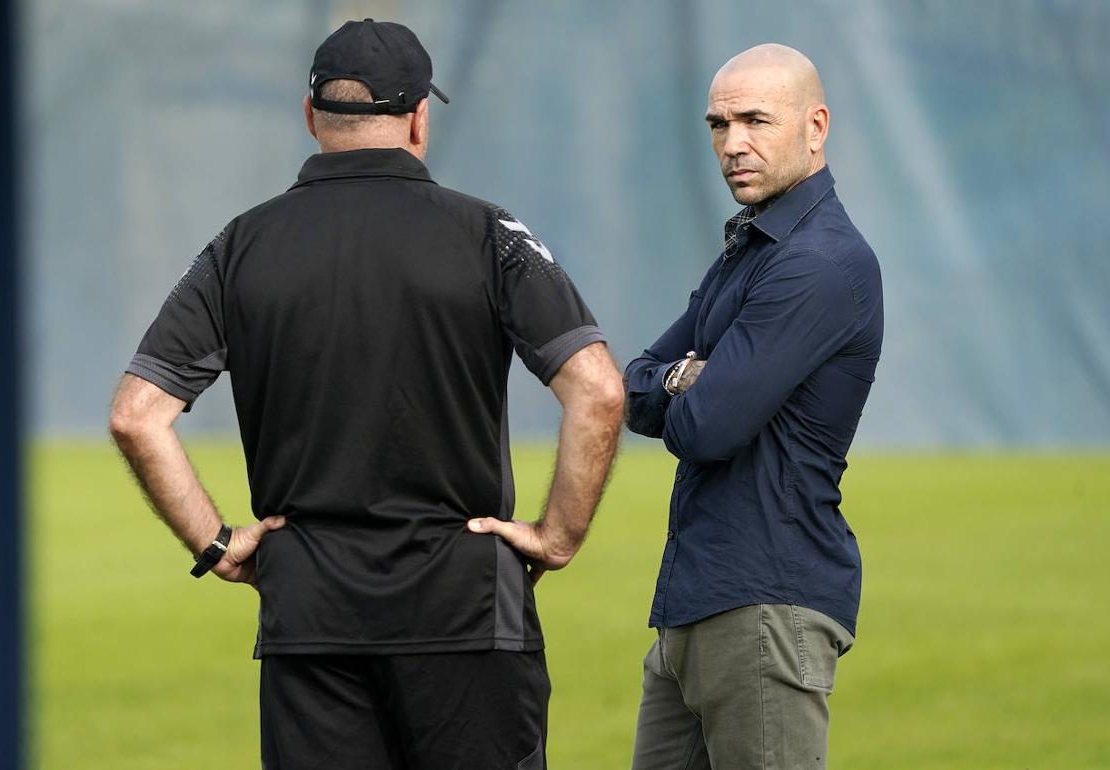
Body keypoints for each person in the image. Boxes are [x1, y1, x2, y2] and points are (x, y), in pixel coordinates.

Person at [108, 18, 623, 770]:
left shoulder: (241, 244)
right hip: (466, 605)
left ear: (311, 115)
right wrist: (557, 537)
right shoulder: (489, 235)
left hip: (310, 610)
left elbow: (136, 416)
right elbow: (600, 393)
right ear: (419, 117)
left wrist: (216, 544)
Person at [624, 44, 884, 770]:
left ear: (815, 126)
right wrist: (684, 376)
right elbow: (634, 389)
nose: (732, 143)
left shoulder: (817, 262)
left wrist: (677, 390)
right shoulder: (753, 248)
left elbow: (707, 429)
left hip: (766, 608)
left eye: (755, 121)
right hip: (695, 605)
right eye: (718, 123)